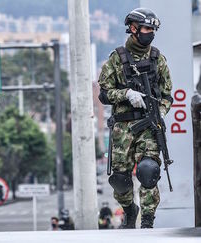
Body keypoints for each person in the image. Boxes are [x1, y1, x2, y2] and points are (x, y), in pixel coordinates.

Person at [98, 8, 173, 229]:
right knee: (120, 179)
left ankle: (148, 220)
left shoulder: (158, 59)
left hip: (150, 124)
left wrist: (161, 112)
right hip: (123, 128)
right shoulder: (116, 59)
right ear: (133, 29)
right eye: (147, 28)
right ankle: (130, 209)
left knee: (149, 171)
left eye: (153, 29)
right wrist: (126, 94)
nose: (150, 33)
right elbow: (104, 93)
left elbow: (167, 94)